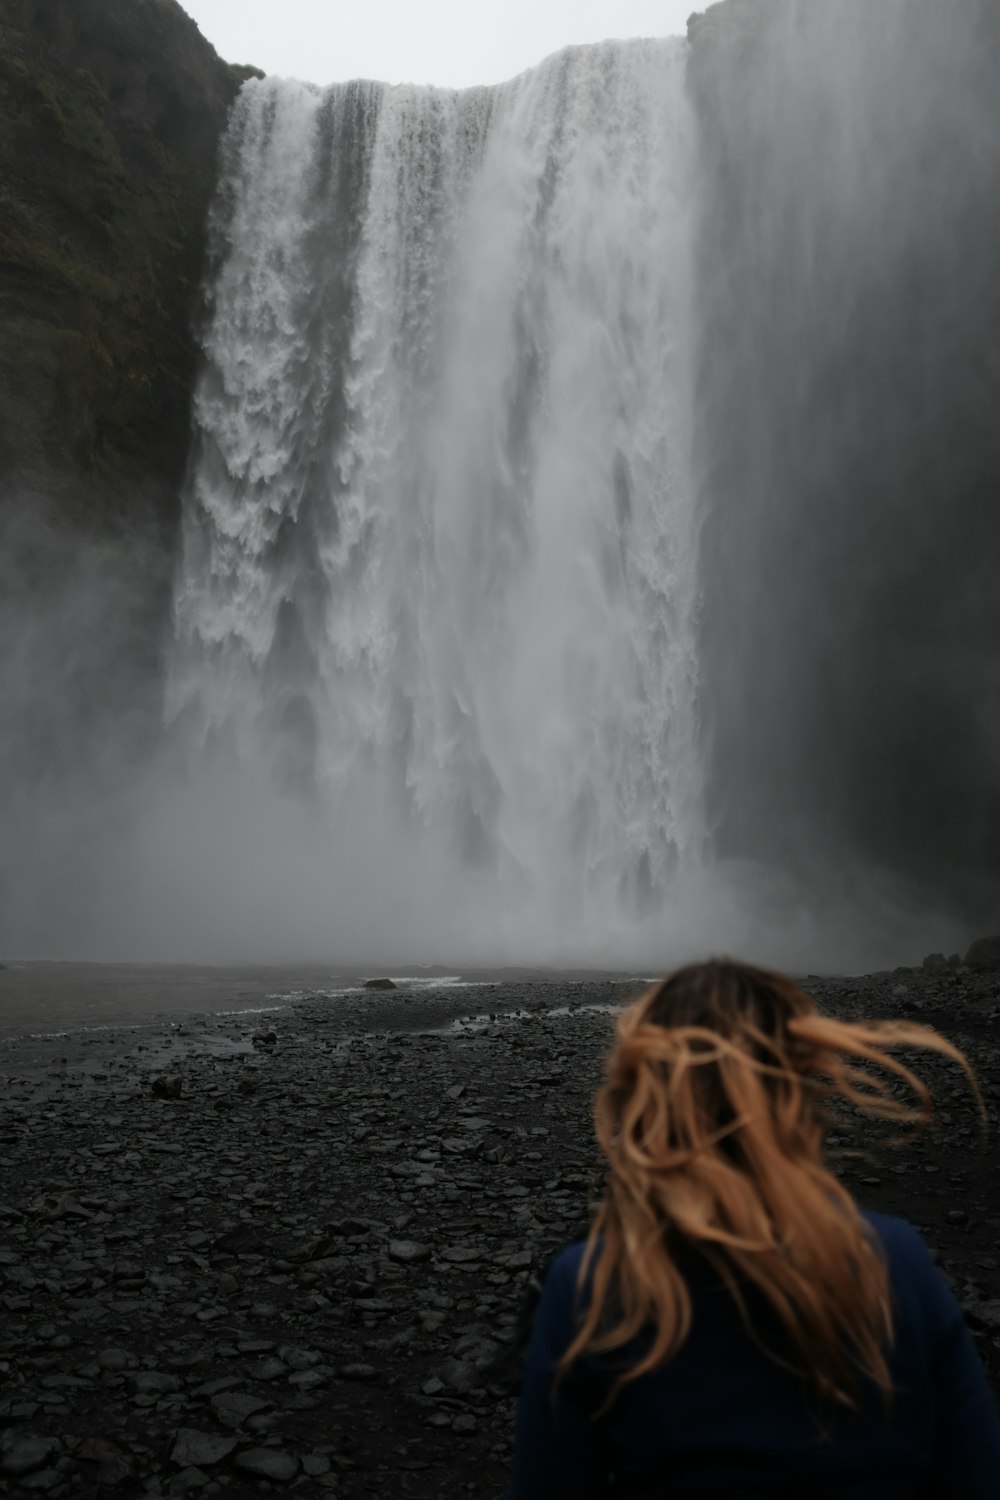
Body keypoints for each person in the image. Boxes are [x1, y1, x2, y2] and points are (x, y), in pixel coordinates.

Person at [510, 959, 1000, 1498]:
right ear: (792, 1094)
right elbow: (975, 1477)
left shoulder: (590, 1285)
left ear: (645, 1100)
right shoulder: (898, 1259)